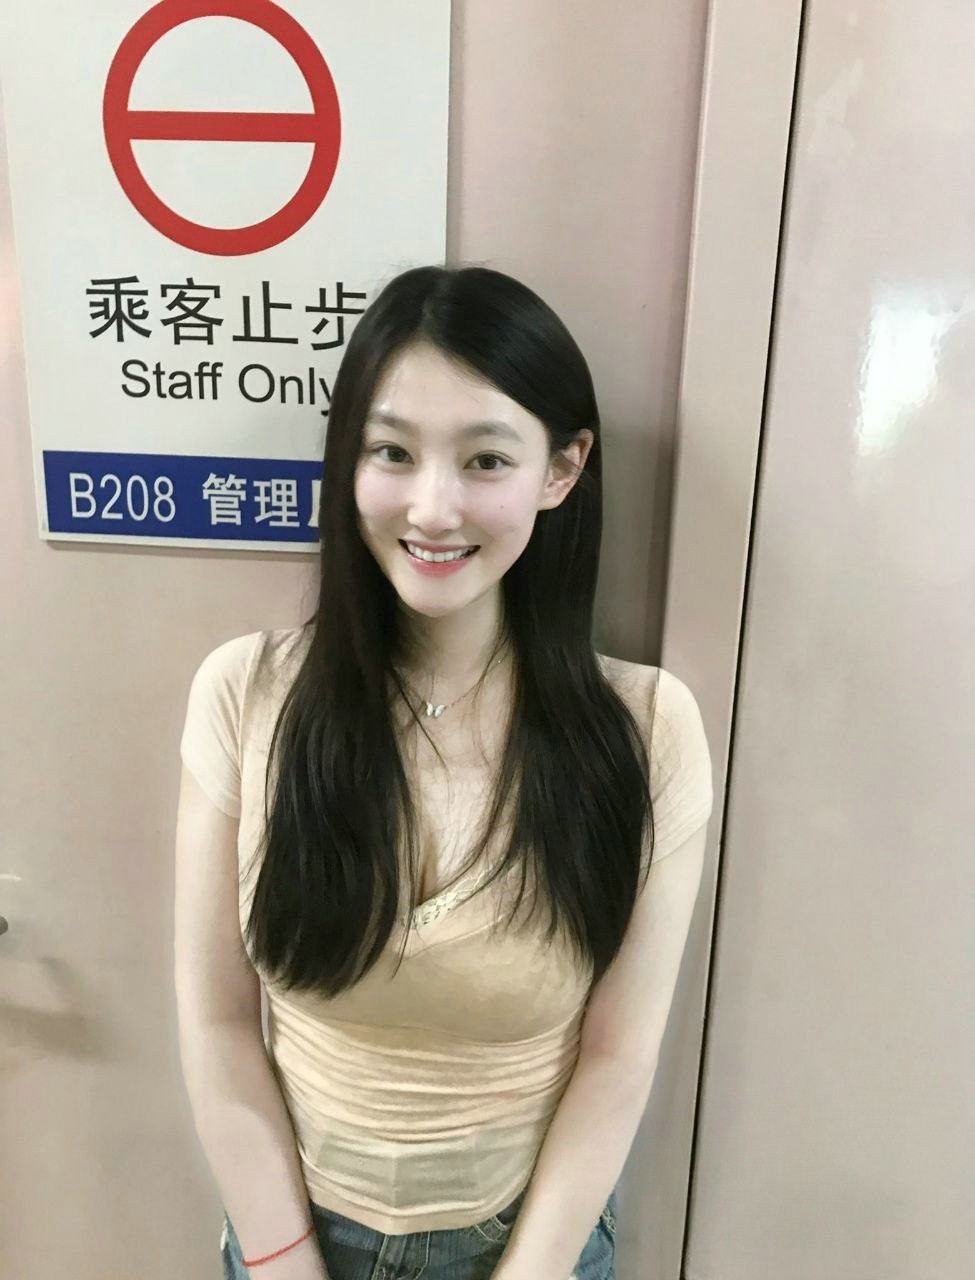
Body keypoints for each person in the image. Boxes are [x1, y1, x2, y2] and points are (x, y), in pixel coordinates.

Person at [174, 264, 713, 1280]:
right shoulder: (246, 693)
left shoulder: (648, 730)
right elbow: (215, 1020)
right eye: (391, 451)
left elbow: (617, 1059)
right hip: (290, 1236)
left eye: (484, 460)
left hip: (529, 1246)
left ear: (561, 470)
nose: (431, 507)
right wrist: (285, 1262)